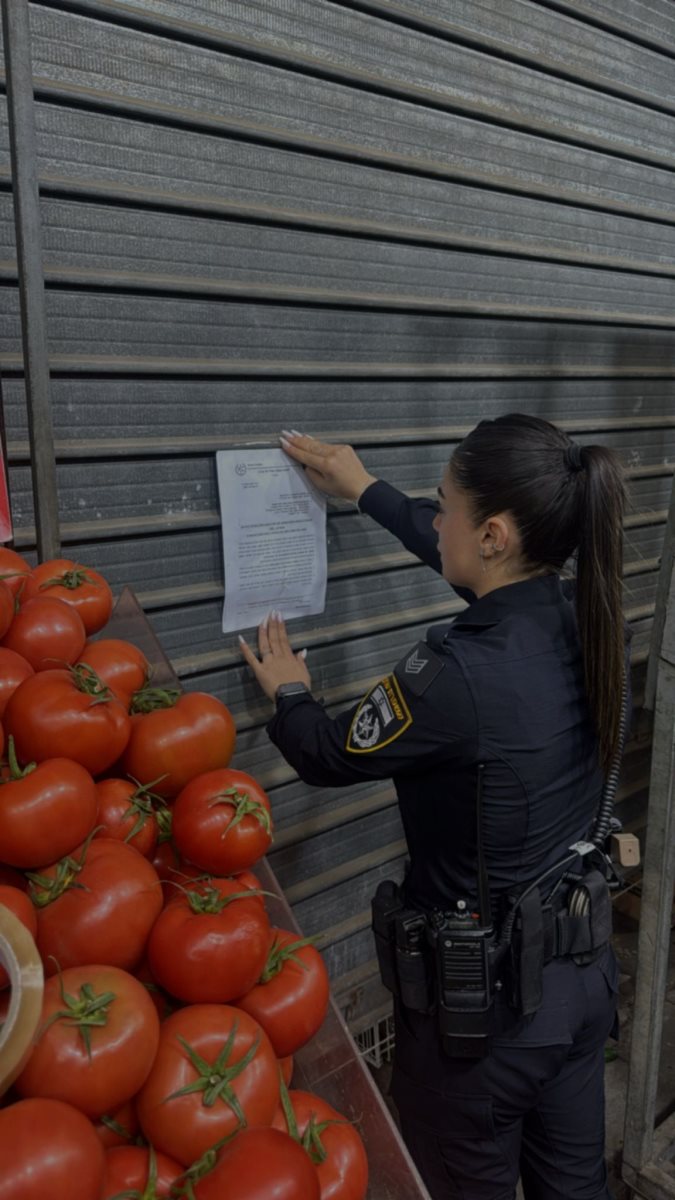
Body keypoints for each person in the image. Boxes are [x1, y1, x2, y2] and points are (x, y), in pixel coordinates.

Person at [239, 413, 629, 1200]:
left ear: (491, 534)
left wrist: (289, 693)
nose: (433, 514)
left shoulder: (453, 677)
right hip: (577, 988)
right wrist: (362, 489)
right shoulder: (579, 613)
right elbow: (456, 555)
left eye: (442, 502)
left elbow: (326, 752)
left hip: (483, 1031)